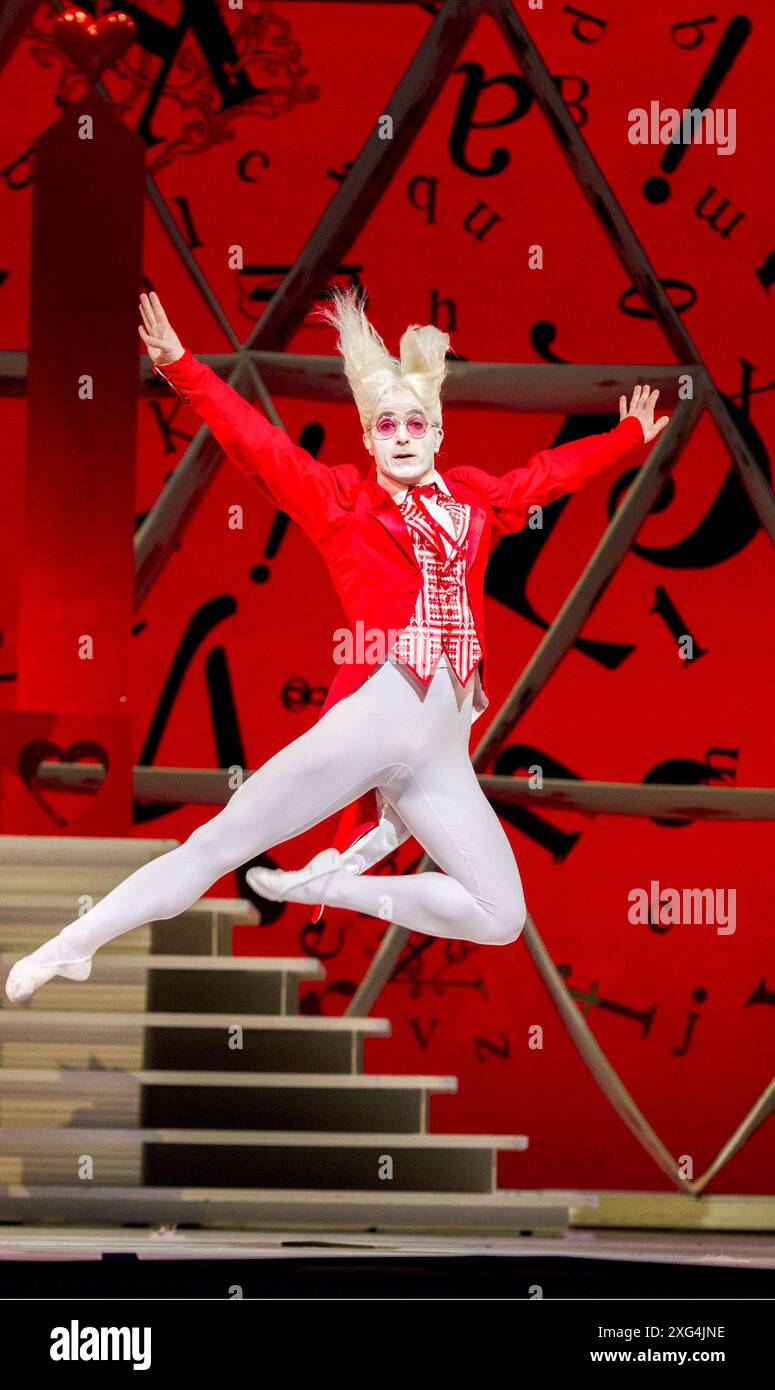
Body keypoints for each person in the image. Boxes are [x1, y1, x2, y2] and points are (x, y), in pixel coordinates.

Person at [4, 287, 668, 1004]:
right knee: (219, 844)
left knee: (500, 913)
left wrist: (626, 440)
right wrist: (181, 367)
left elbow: (543, 478)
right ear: (369, 437)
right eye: (387, 425)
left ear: (438, 433)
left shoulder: (475, 502)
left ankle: (336, 885)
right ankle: (73, 945)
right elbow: (259, 445)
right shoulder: (342, 505)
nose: (403, 435)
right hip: (373, 715)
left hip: (441, 750)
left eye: (416, 422)